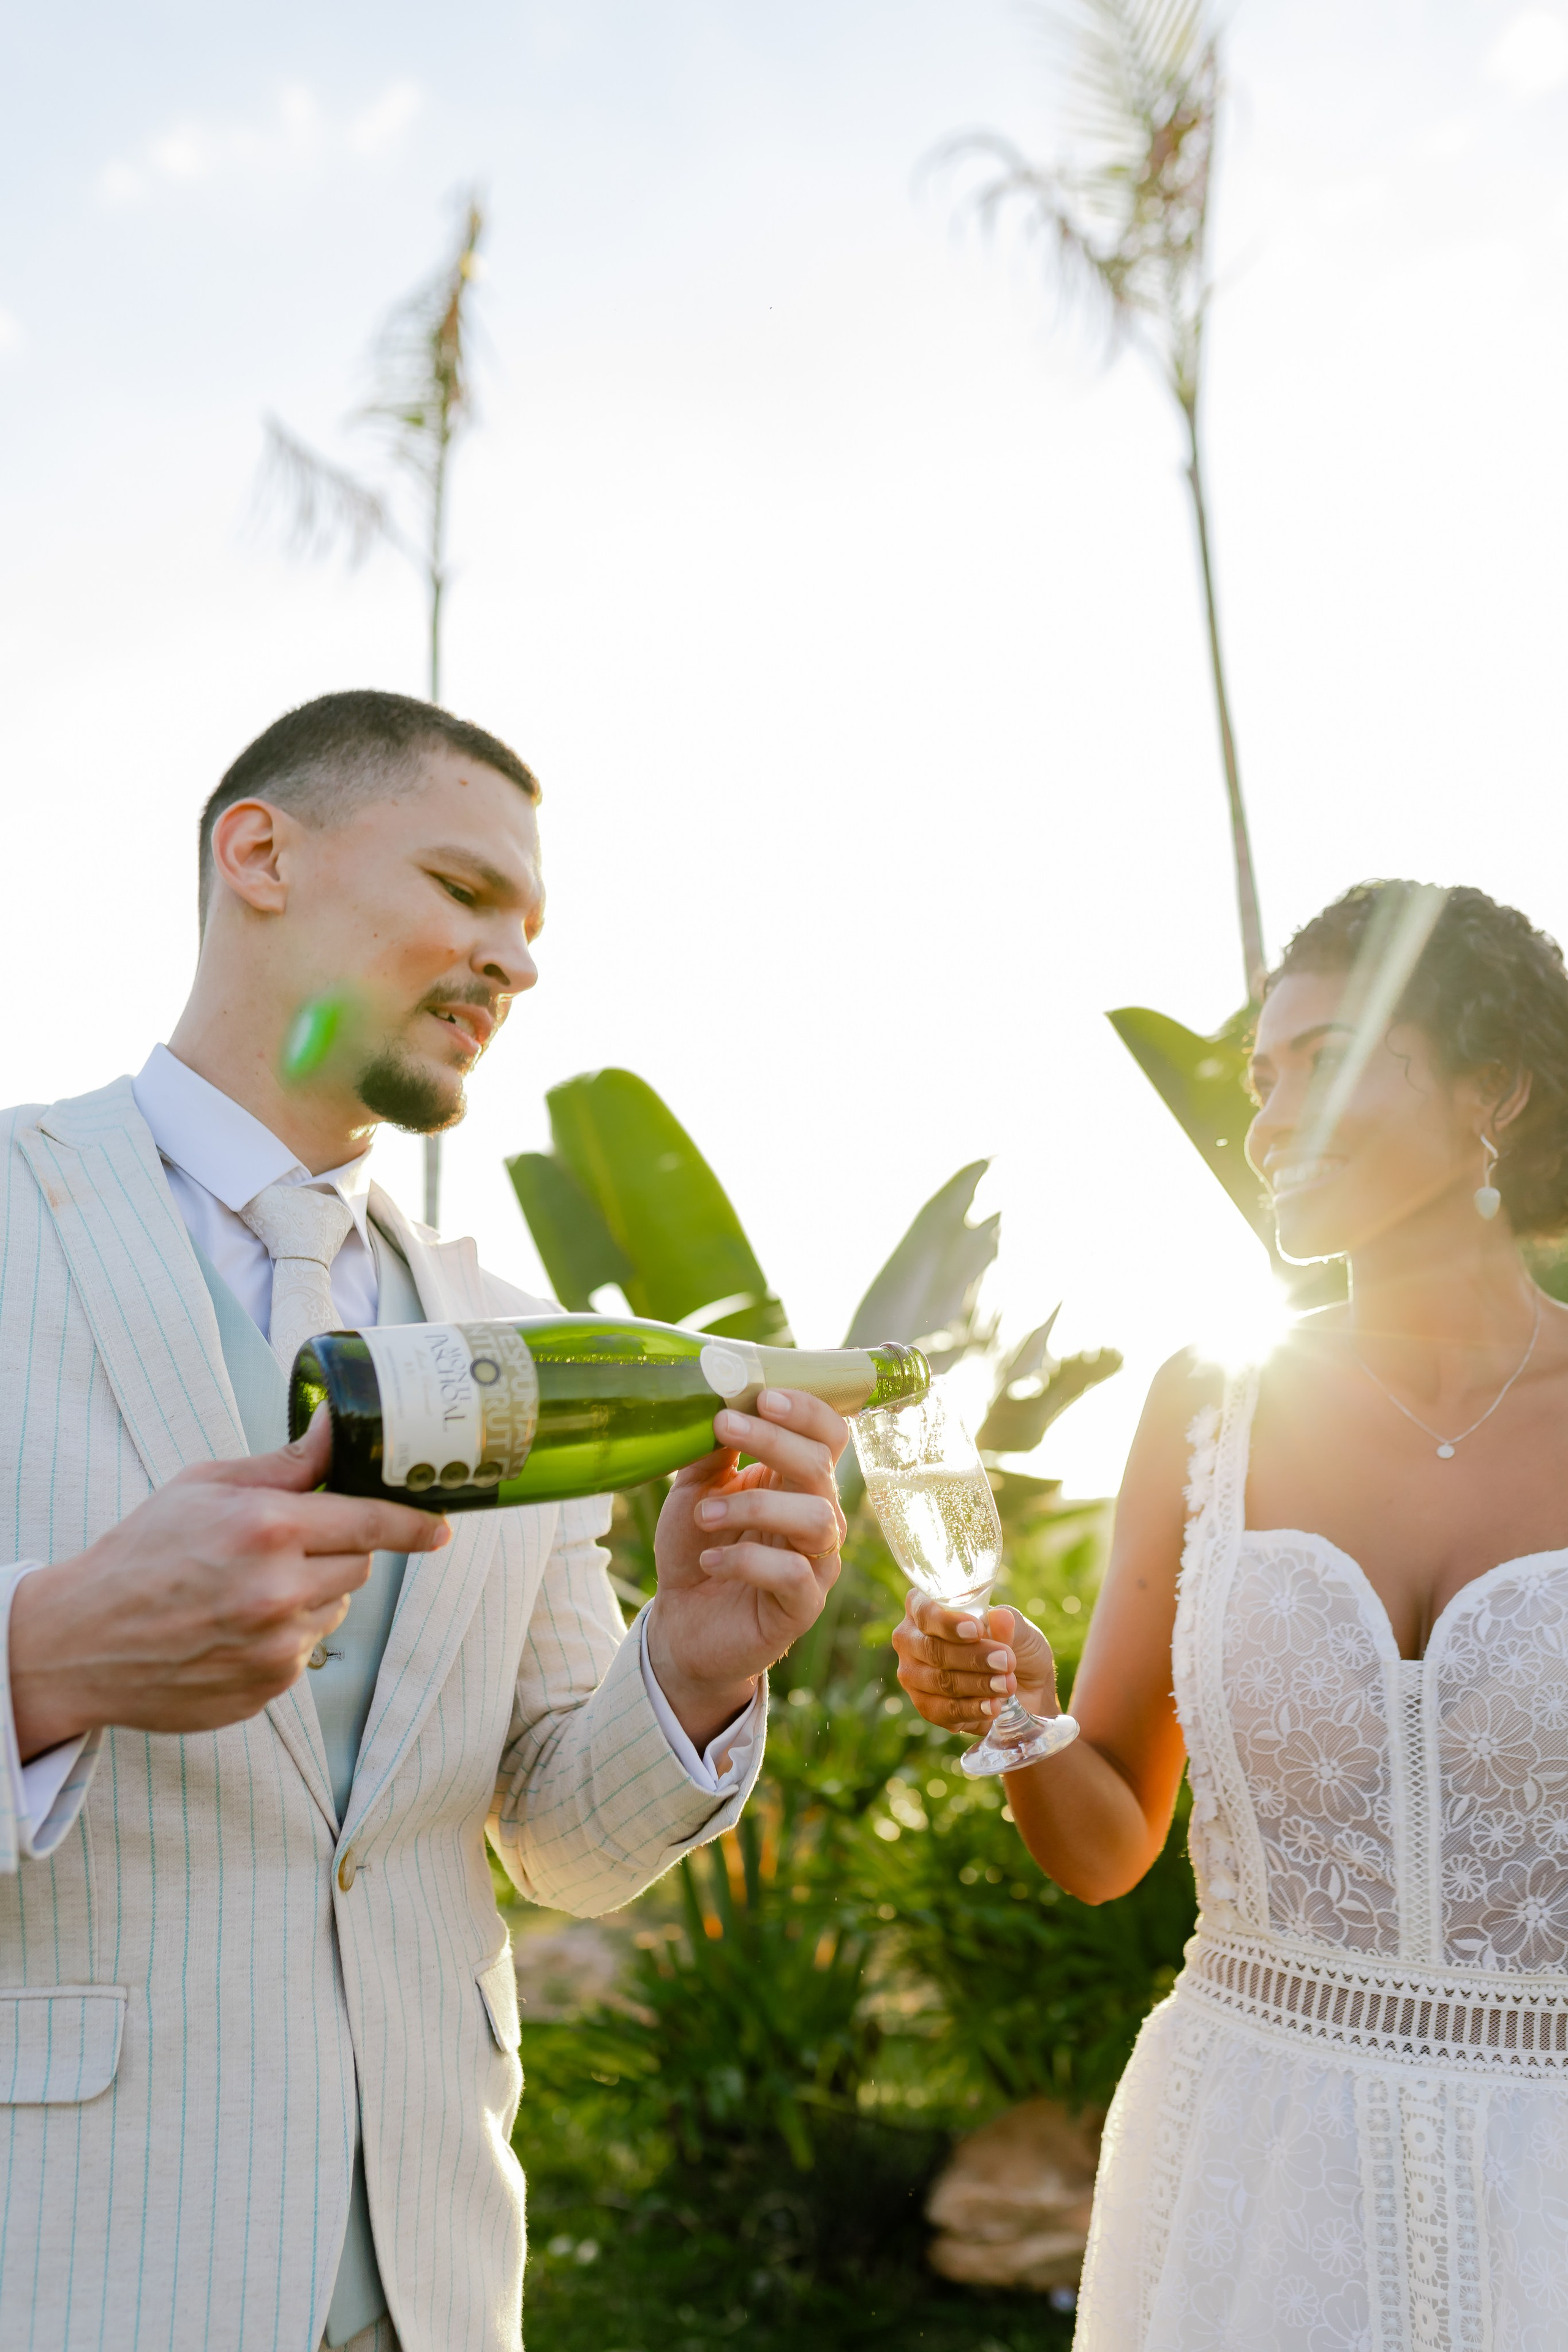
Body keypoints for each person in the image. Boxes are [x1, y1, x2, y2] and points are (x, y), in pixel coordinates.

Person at [0, 690, 850, 2352]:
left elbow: (558, 1841)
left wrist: (687, 1673)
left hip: (431, 2281)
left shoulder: (522, 1345)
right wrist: (40, 1659)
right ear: (260, 853)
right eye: (469, 893)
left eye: (532, 932)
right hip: (66, 2264)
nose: (516, 966)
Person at [895, 880, 1568, 2348]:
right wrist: (1010, 1710)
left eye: (1328, 1060)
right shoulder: (1205, 1409)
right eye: (1264, 1079)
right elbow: (1104, 1848)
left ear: (1492, 1091)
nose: (1270, 1120)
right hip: (1246, 2183)